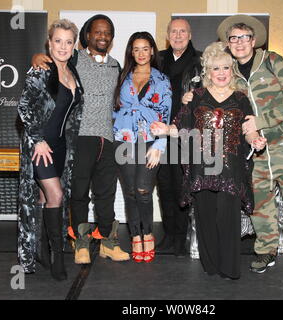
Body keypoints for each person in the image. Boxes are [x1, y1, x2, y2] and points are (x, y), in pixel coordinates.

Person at [151, 41, 266, 279]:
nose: (221, 73)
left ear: (231, 70)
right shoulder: (196, 97)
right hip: (202, 166)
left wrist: (256, 140)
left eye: (225, 68)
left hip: (231, 168)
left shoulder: (241, 97)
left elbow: (249, 128)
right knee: (205, 217)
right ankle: (211, 265)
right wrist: (165, 129)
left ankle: (229, 267)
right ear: (207, 72)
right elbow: (181, 127)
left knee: (227, 217)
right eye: (216, 68)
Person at [215, 15, 283, 282]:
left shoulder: (272, 62)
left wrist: (262, 121)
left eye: (244, 37)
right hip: (255, 156)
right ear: (228, 43)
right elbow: (217, 100)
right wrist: (191, 95)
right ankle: (265, 252)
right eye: (233, 38)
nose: (239, 43)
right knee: (260, 208)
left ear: (253, 40)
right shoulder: (230, 73)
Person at [31, 14, 129, 265]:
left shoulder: (116, 66)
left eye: (107, 32)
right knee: (80, 193)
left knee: (106, 193)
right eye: (97, 32)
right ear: (87, 36)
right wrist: (36, 58)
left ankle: (108, 241)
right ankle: (81, 243)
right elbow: (50, 60)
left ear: (112, 38)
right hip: (80, 137)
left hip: (108, 138)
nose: (102, 36)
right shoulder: (73, 59)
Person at [17, 19, 84, 280]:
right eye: (58, 41)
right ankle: (58, 255)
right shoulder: (41, 70)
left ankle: (43, 249)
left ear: (74, 45)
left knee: (46, 199)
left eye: (68, 42)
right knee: (55, 196)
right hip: (40, 145)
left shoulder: (72, 72)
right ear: (49, 42)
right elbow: (24, 107)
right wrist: (37, 139)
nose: (63, 46)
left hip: (60, 145)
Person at [113, 32, 172, 263]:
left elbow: (166, 115)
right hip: (124, 140)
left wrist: (160, 144)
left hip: (150, 140)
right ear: (131, 52)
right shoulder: (122, 77)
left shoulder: (162, 80)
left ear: (152, 51)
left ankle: (148, 233)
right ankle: (136, 236)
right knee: (129, 192)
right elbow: (114, 110)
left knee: (143, 191)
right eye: (136, 49)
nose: (140, 53)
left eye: (145, 48)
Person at [156, 18, 202, 257]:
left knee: (182, 185)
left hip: (186, 133)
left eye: (182, 31)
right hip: (160, 134)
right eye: (173, 31)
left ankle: (184, 235)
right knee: (164, 186)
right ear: (167, 35)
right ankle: (169, 234)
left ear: (190, 34)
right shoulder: (158, 59)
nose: (178, 35)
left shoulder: (201, 62)